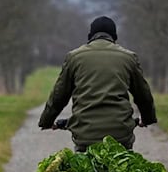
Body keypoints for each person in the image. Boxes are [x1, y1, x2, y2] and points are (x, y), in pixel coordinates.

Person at [38, 16, 157, 151]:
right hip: (120, 135)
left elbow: (59, 96)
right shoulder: (128, 58)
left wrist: (47, 121)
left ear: (90, 36)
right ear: (114, 36)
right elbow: (143, 95)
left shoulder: (74, 57)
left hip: (85, 135)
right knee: (122, 165)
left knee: (84, 167)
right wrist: (147, 118)